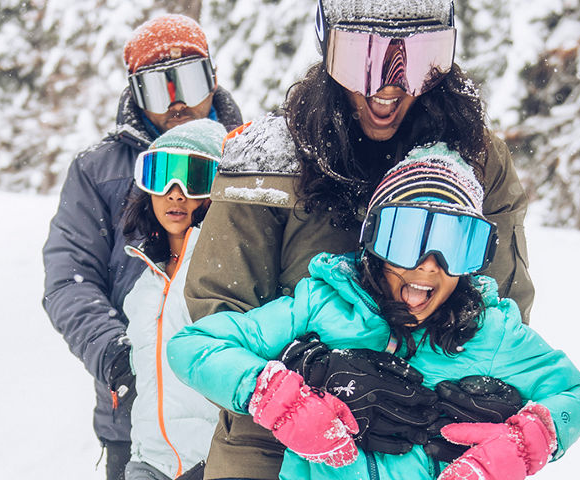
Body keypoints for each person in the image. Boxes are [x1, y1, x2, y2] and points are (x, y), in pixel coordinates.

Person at [184, 1, 533, 478]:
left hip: (423, 447)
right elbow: (218, 315)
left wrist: (487, 394)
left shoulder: (476, 158)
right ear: (327, 50)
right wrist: (309, 370)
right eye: (359, 58)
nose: (387, 84)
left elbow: (502, 307)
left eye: (416, 58)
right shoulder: (269, 157)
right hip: (273, 445)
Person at [169, 143, 580, 480]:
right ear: (374, 242)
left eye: (454, 244)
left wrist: (517, 447)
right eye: (406, 238)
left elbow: (573, 396)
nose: (429, 264)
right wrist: (284, 403)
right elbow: (195, 345)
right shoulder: (323, 305)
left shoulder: (489, 332)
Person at [42, 14, 242, 480]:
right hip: (133, 415)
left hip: (230, 420)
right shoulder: (99, 171)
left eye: (188, 81)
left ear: (213, 78)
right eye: (158, 88)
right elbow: (68, 279)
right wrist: (116, 355)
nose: (177, 103)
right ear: (135, 93)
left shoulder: (250, 155)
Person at [120, 119, 227, 480]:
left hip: (211, 464)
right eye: (162, 175)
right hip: (148, 462)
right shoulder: (145, 282)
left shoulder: (227, 271)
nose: (175, 193)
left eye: (194, 178)